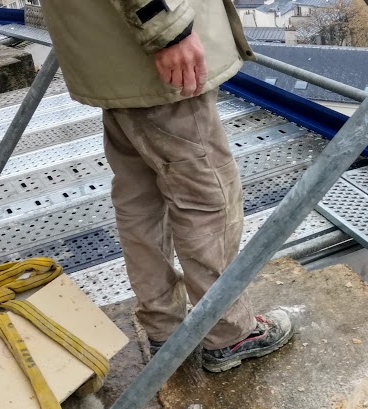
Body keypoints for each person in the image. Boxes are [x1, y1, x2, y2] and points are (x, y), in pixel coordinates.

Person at [40, 0, 293, 372]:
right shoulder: (162, 32)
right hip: (150, 52)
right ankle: (229, 333)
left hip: (113, 55)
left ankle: (163, 326)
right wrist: (168, 29)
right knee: (208, 198)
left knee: (140, 198)